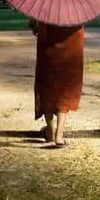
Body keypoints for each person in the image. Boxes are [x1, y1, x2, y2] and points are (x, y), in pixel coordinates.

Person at [29, 18, 85, 148]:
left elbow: (33, 19)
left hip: (48, 40)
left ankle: (50, 130)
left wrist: (33, 25)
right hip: (72, 42)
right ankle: (59, 135)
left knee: (47, 82)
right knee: (66, 84)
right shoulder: (77, 2)